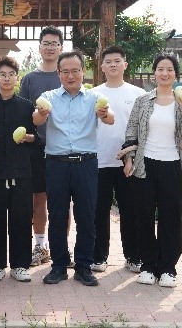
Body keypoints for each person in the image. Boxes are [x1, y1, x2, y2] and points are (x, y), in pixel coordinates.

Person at [33, 50, 114, 286]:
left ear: (83, 72)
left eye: (75, 71)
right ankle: (58, 266)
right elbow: (36, 119)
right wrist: (41, 113)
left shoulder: (93, 98)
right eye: (65, 71)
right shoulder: (49, 97)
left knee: (86, 216)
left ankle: (84, 266)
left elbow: (110, 118)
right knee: (57, 216)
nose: (71, 76)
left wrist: (104, 113)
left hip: (86, 164)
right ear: (58, 74)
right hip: (56, 164)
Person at [120, 53, 182, 288]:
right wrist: (128, 159)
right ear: (154, 73)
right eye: (160, 69)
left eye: (170, 69)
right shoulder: (143, 101)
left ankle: (168, 268)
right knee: (143, 216)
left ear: (176, 74)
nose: (165, 73)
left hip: (172, 165)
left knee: (170, 218)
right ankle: (148, 266)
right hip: (145, 165)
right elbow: (131, 133)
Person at [0, 56, 36, 282]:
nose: (7, 78)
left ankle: (20, 265)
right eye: (3, 74)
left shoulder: (26, 106)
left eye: (11, 74)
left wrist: (28, 137)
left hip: (21, 172)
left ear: (17, 78)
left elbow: (35, 137)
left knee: (21, 219)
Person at [92, 46, 145, 273]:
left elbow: (143, 129)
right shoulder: (93, 94)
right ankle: (98, 256)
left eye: (117, 61)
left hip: (129, 162)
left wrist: (133, 154)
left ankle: (133, 256)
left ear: (125, 65)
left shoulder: (138, 94)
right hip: (99, 160)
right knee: (98, 212)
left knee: (130, 211)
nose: (113, 65)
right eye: (108, 62)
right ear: (102, 67)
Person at [18, 25, 62, 267]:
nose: (50, 47)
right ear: (39, 47)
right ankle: (39, 245)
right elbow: (24, 115)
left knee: (62, 200)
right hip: (36, 148)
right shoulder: (30, 79)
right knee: (38, 199)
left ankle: (60, 248)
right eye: (46, 43)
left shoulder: (66, 74)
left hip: (64, 148)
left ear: (61, 47)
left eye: (54, 43)